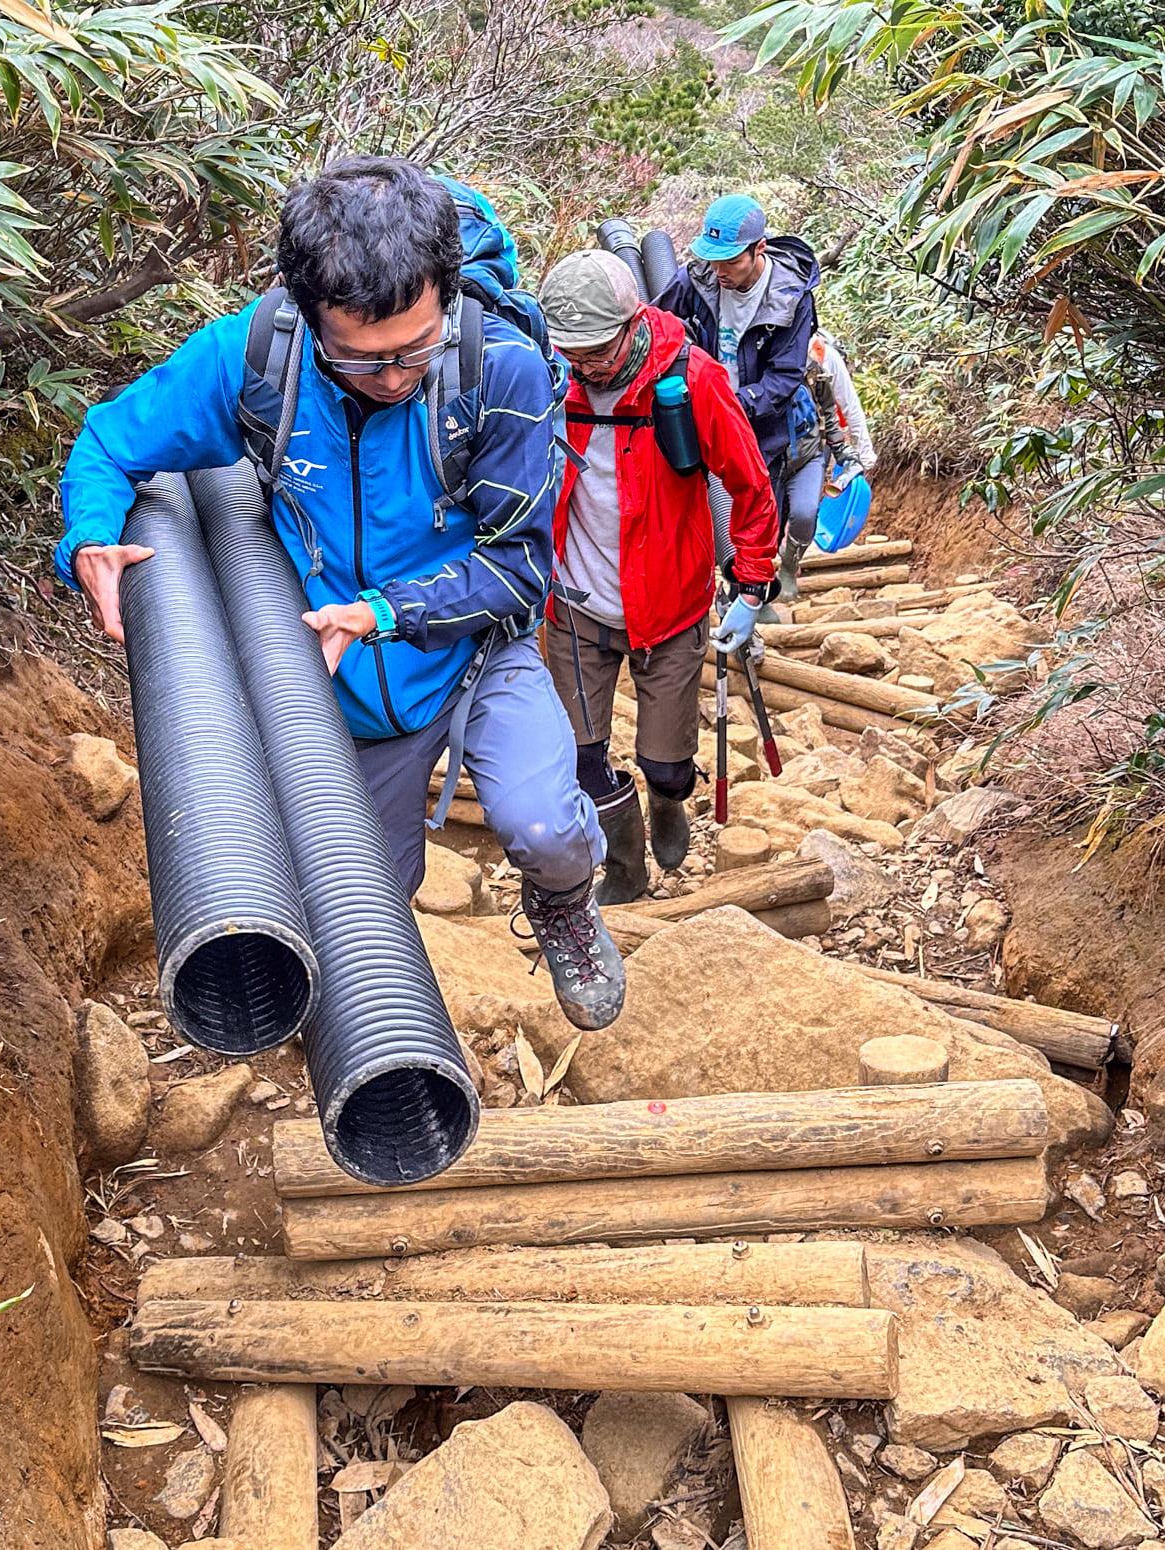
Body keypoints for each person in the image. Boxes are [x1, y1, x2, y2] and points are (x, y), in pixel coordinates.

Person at [56, 158, 625, 1030]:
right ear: (306, 310)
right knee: (362, 902)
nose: (395, 377)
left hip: (472, 648)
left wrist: (388, 612)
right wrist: (91, 535)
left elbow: (519, 565)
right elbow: (109, 440)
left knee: (544, 826)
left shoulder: (500, 369)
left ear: (446, 291)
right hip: (336, 674)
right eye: (361, 360)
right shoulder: (256, 357)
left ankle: (563, 905)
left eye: (414, 350)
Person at [538, 249, 779, 903]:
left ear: (632, 322)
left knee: (663, 765)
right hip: (575, 604)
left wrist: (751, 586)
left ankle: (669, 798)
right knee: (582, 760)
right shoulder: (551, 378)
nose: (582, 364)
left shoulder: (692, 380)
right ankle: (624, 866)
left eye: (593, 350)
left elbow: (749, 485)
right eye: (571, 350)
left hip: (669, 605)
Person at [655, 194, 821, 558]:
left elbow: (785, 376)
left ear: (758, 248)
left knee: (761, 520)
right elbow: (655, 323)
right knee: (706, 516)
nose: (719, 272)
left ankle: (752, 590)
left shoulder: (790, 298)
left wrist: (732, 405)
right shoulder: (698, 278)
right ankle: (727, 592)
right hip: (701, 418)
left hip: (764, 429)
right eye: (712, 260)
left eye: (729, 262)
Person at [775, 331, 880, 599]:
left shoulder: (824, 356)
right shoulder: (760, 352)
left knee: (805, 511)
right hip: (771, 451)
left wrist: (863, 457)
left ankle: (789, 564)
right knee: (774, 516)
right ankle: (774, 559)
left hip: (814, 446)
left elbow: (847, 404)